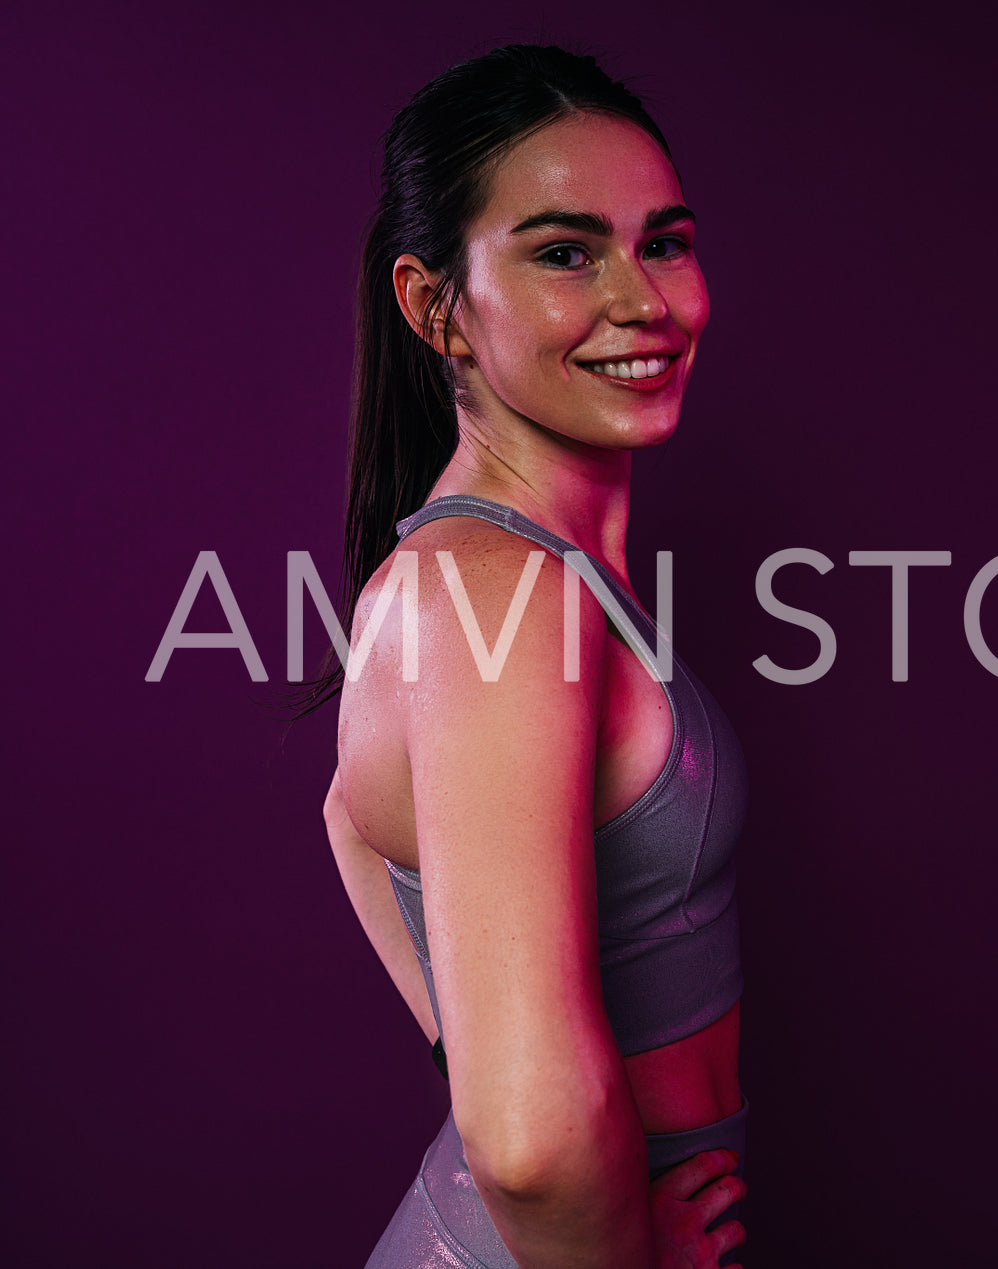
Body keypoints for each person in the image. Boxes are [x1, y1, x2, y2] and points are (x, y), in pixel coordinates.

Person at [314, 45, 749, 1269]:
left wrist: (479, 1055)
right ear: (435, 305)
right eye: (566, 252)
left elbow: (350, 821)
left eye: (661, 241)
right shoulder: (497, 592)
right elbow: (529, 1150)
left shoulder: (502, 580)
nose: (644, 300)